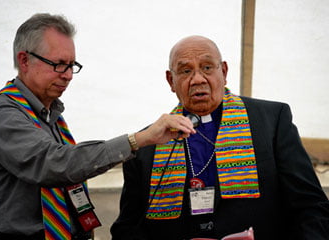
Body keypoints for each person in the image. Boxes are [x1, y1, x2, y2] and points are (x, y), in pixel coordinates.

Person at [0, 14, 196, 240]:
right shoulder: (1, 116)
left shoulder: (51, 115)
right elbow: (56, 164)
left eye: (72, 65)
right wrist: (138, 139)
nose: (68, 75)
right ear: (24, 60)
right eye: (58, 64)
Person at [110, 35, 329, 240]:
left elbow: (310, 207)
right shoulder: (147, 145)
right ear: (171, 81)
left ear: (223, 72)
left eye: (207, 67)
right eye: (185, 71)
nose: (197, 79)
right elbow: (127, 228)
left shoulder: (271, 121)